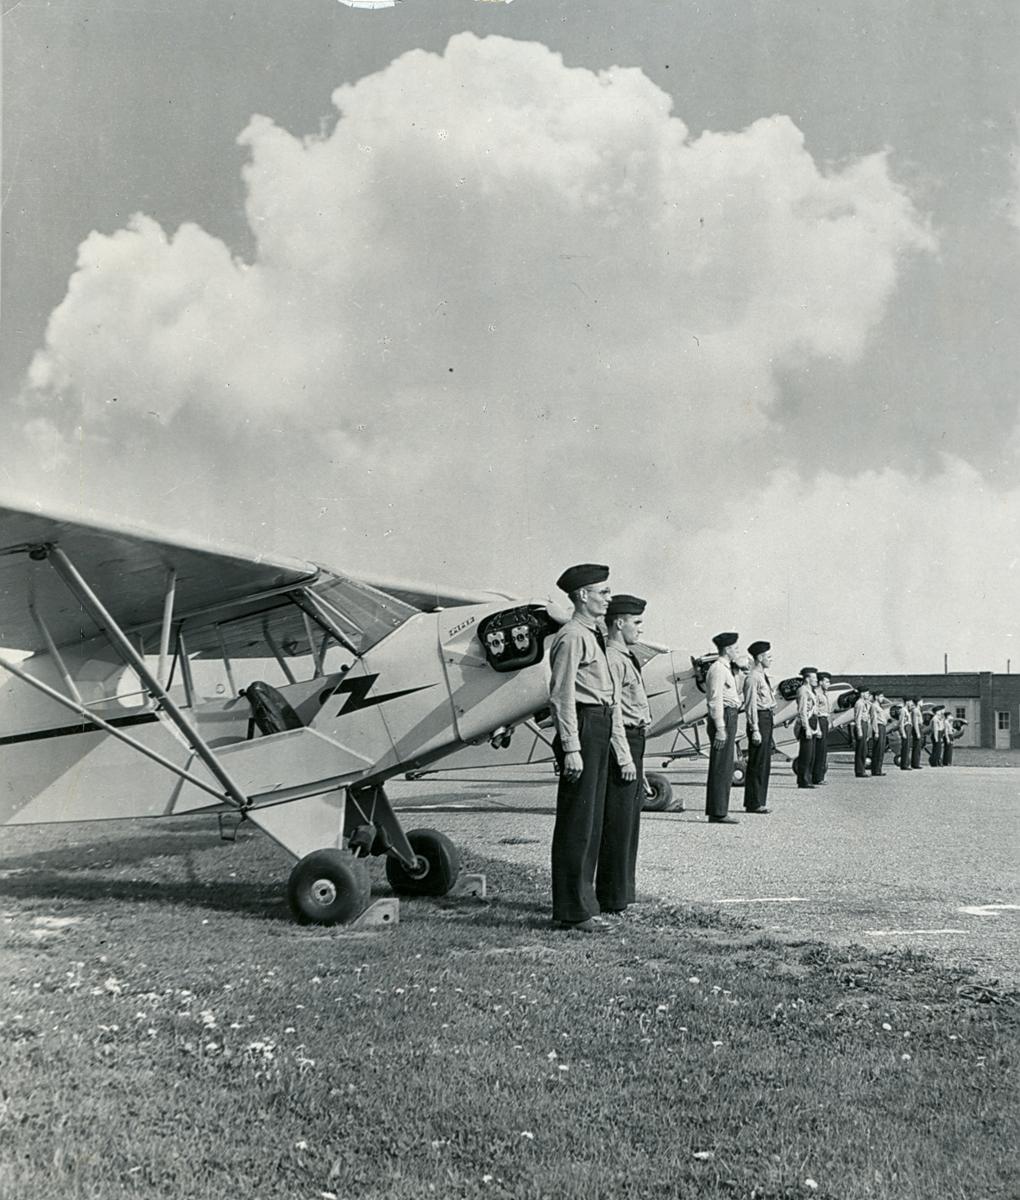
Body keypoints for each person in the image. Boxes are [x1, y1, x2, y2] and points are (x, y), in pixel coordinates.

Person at [547, 563, 635, 932]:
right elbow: (561, 694)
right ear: (582, 596)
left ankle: (585, 903)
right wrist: (570, 746)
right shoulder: (571, 636)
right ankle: (572, 910)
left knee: (593, 820)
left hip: (598, 725)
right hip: (582, 726)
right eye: (603, 592)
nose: (608, 598)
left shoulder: (593, 635)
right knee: (578, 823)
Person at [601, 594, 652, 909]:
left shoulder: (625, 656)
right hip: (624, 742)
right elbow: (614, 711)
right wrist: (624, 757)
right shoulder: (613, 658)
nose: (640, 630)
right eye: (636, 623)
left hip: (636, 740)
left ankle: (622, 892)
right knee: (618, 822)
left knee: (629, 820)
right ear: (619, 623)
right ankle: (611, 895)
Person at [705, 632, 742, 824]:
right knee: (721, 765)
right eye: (736, 648)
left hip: (730, 714)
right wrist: (720, 727)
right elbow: (715, 700)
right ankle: (718, 812)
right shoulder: (718, 669)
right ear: (727, 650)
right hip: (724, 716)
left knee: (725, 765)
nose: (738, 651)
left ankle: (720, 809)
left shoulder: (727, 669)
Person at [743, 640, 776, 814]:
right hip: (759, 720)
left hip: (767, 718)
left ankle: (758, 800)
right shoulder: (753, 678)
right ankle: (754, 802)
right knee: (757, 762)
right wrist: (754, 728)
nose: (771, 659)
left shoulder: (762, 676)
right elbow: (750, 705)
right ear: (760, 657)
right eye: (768, 656)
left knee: (764, 762)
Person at [795, 668, 822, 788]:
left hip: (813, 721)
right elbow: (802, 711)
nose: (816, 680)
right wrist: (806, 728)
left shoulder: (812, 691)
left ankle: (808, 779)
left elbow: (816, 712)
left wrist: (818, 728)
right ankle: (803, 780)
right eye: (814, 678)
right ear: (807, 678)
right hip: (806, 723)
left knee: (812, 754)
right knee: (806, 754)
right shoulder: (803, 690)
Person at [812, 671, 833, 785]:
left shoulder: (824, 694)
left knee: (823, 749)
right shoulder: (816, 694)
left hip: (824, 721)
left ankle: (820, 776)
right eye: (827, 681)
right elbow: (816, 712)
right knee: (819, 750)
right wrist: (819, 728)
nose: (828, 684)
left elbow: (827, 711)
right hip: (819, 721)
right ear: (820, 682)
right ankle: (817, 777)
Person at [853, 688, 873, 778]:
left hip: (864, 724)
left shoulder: (865, 703)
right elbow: (858, 718)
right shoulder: (859, 704)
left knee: (864, 748)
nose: (868, 695)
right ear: (862, 693)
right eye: (867, 693)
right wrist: (859, 730)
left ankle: (861, 769)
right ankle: (859, 770)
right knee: (861, 749)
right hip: (861, 724)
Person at [870, 691, 889, 775]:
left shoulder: (879, 706)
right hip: (879, 726)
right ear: (876, 697)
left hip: (883, 727)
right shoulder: (874, 706)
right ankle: (876, 770)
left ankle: (878, 769)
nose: (882, 698)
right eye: (881, 696)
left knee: (881, 749)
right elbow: (873, 719)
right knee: (878, 749)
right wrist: (876, 731)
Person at [910, 697, 924, 769]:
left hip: (919, 727)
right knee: (916, 746)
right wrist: (917, 732)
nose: (922, 703)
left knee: (918, 746)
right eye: (921, 701)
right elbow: (915, 722)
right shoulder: (915, 710)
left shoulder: (918, 710)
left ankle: (916, 762)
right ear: (918, 702)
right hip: (917, 727)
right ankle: (915, 763)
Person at [898, 700, 912, 771]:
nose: (911, 704)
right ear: (907, 702)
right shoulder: (903, 710)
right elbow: (901, 722)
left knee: (908, 746)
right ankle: (904, 764)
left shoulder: (907, 710)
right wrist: (902, 732)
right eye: (910, 702)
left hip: (908, 727)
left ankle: (906, 763)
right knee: (905, 747)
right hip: (905, 728)